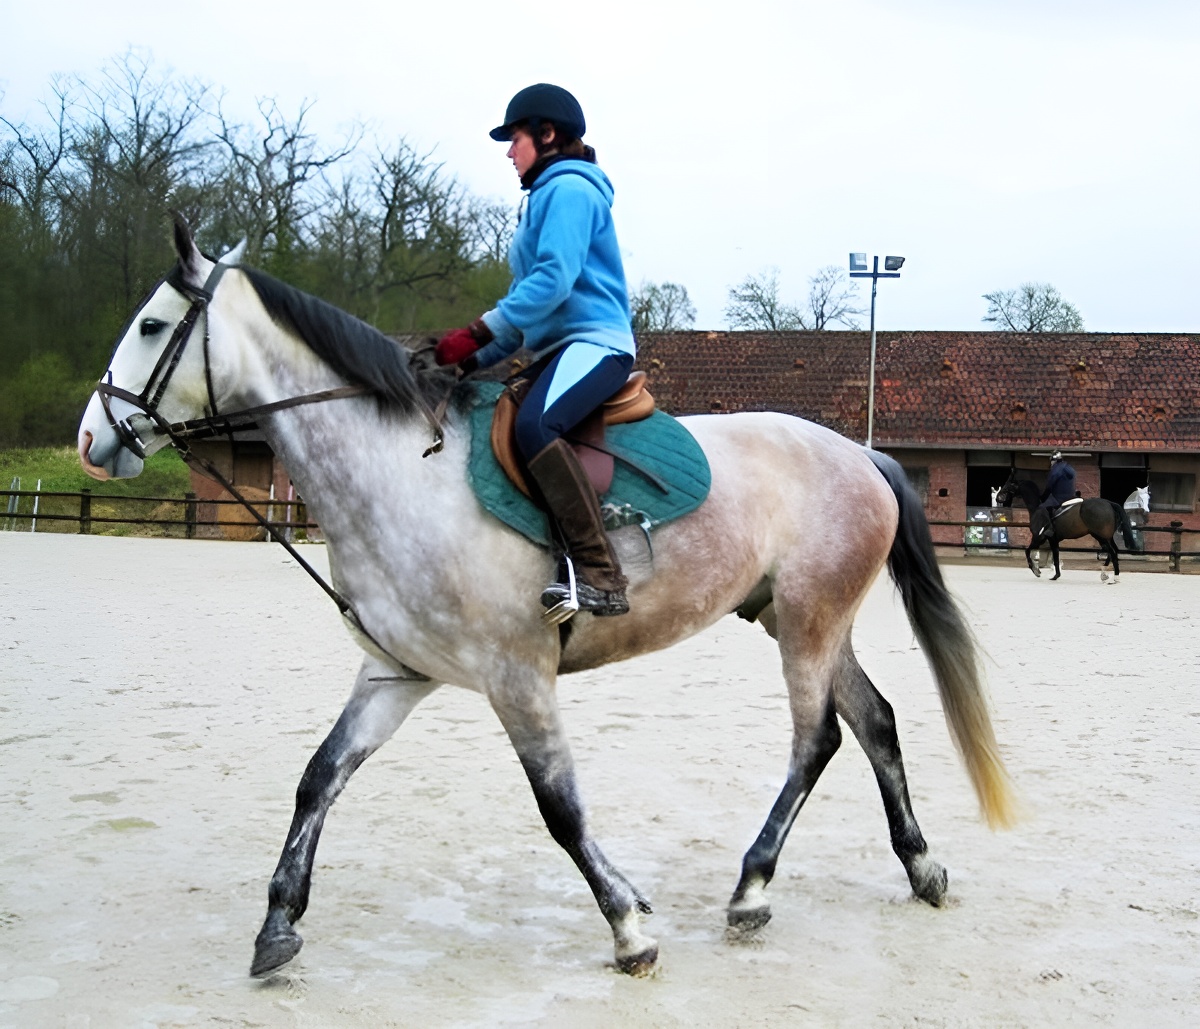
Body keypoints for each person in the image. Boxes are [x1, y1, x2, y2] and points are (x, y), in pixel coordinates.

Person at [434, 83, 635, 620]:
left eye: (514, 138)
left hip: (597, 344)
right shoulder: (541, 198)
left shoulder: (569, 190)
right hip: (553, 346)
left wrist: (478, 330)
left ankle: (600, 573)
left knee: (534, 428)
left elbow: (553, 280)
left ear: (547, 135)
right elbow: (532, 314)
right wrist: (468, 358)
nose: (508, 151)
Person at [1035, 450, 1076, 536]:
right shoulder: (1069, 467)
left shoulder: (1055, 470)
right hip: (1071, 496)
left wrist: (1043, 497)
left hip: (1059, 498)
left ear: (1053, 460)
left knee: (1041, 508)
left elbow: (1049, 486)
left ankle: (1050, 529)